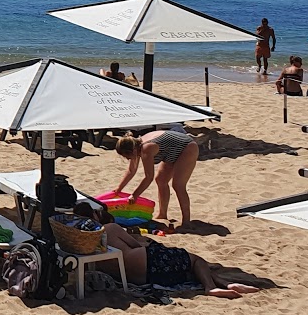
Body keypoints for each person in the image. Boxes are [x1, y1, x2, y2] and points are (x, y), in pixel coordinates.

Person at [101, 222, 258, 298]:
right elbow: (135, 246)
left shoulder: (83, 243)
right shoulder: (109, 228)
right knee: (195, 260)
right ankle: (210, 287)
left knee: (189, 268)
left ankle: (225, 283)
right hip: (147, 262)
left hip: (139, 279)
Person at [115, 128, 200, 228]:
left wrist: (135, 195)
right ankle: (162, 214)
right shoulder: (136, 146)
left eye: (126, 156)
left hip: (187, 147)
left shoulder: (146, 148)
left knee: (178, 185)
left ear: (132, 151)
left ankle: (186, 221)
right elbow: (131, 171)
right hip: (170, 151)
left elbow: (148, 177)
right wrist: (118, 189)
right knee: (160, 180)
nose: (127, 159)